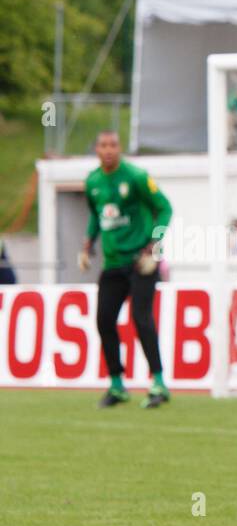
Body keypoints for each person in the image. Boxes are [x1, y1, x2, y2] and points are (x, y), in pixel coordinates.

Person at [78, 130, 173, 409]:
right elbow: (96, 216)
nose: (108, 150)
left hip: (141, 261)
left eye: (113, 145)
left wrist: (154, 247)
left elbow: (165, 209)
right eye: (103, 145)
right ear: (96, 149)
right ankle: (117, 385)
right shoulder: (92, 181)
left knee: (141, 317)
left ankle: (158, 383)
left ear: (119, 148)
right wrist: (86, 246)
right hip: (113, 263)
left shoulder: (136, 177)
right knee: (104, 320)